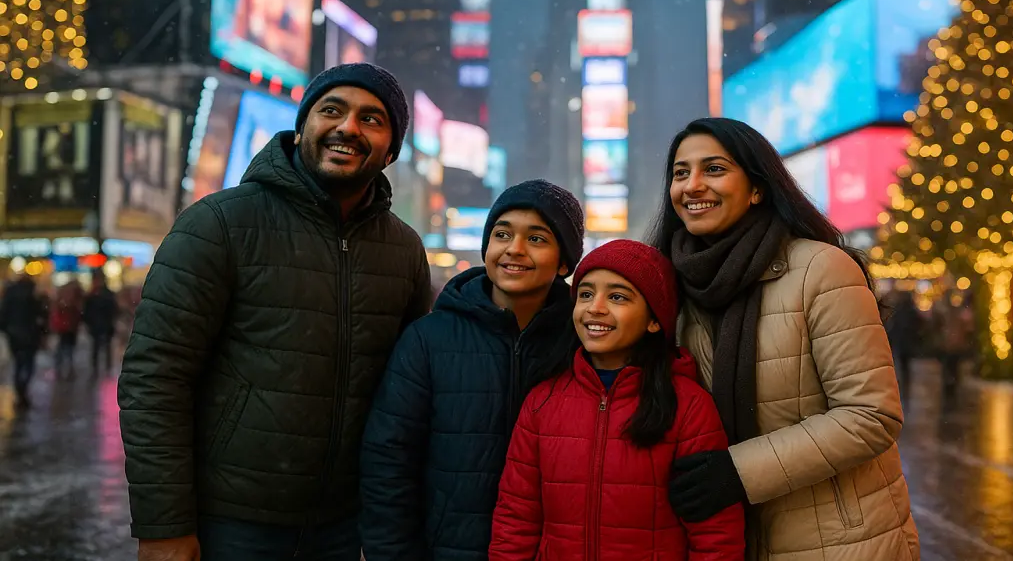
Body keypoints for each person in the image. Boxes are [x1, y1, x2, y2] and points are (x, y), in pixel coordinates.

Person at [118, 63, 432, 561]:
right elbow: (155, 379)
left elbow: (411, 390)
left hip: (346, 526)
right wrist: (164, 526)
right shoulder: (219, 223)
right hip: (233, 523)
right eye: (332, 110)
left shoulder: (404, 249)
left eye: (372, 119)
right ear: (302, 127)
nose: (348, 127)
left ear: (391, 151)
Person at [650, 118, 920, 561]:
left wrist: (738, 472)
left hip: (841, 542)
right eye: (681, 173)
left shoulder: (821, 269)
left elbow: (871, 415)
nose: (692, 185)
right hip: (724, 540)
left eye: (714, 169)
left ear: (757, 188)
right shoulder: (671, 286)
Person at [360, 180, 585, 561]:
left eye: (536, 239)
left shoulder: (582, 344)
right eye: (502, 234)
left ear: (564, 262)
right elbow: (388, 463)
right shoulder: (429, 340)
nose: (514, 249)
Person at [490, 240, 745, 561]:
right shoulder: (542, 400)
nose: (595, 308)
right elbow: (515, 518)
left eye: (617, 297)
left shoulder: (689, 406)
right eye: (585, 294)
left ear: (655, 320)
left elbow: (716, 536)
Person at [0, 273, 48, 411]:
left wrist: (6, 329)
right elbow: (41, 315)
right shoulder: (34, 295)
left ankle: (20, 389)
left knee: (18, 363)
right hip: (30, 334)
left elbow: (4, 314)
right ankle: (23, 388)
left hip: (14, 334)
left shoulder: (10, 294)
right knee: (28, 363)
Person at [932, 290, 973, 404]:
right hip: (953, 346)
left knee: (950, 369)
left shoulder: (948, 314)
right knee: (952, 369)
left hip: (950, 346)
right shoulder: (957, 314)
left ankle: (950, 389)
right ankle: (951, 389)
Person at [83, 271, 120, 377]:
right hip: (97, 325)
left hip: (105, 325)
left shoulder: (105, 294)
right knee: (96, 348)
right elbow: (86, 311)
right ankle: (96, 369)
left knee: (105, 348)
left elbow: (114, 309)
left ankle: (107, 368)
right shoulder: (92, 295)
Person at [50, 279, 85, 380]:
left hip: (65, 326)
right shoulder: (74, 300)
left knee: (63, 347)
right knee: (68, 348)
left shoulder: (63, 298)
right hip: (70, 327)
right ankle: (67, 369)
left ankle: (61, 368)